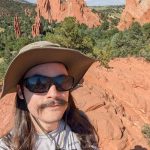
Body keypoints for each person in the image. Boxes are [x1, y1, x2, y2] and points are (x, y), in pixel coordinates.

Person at [0, 41, 99, 150]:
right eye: (39, 84)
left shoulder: (82, 126)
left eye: (62, 82)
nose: (54, 93)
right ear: (20, 92)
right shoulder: (8, 146)